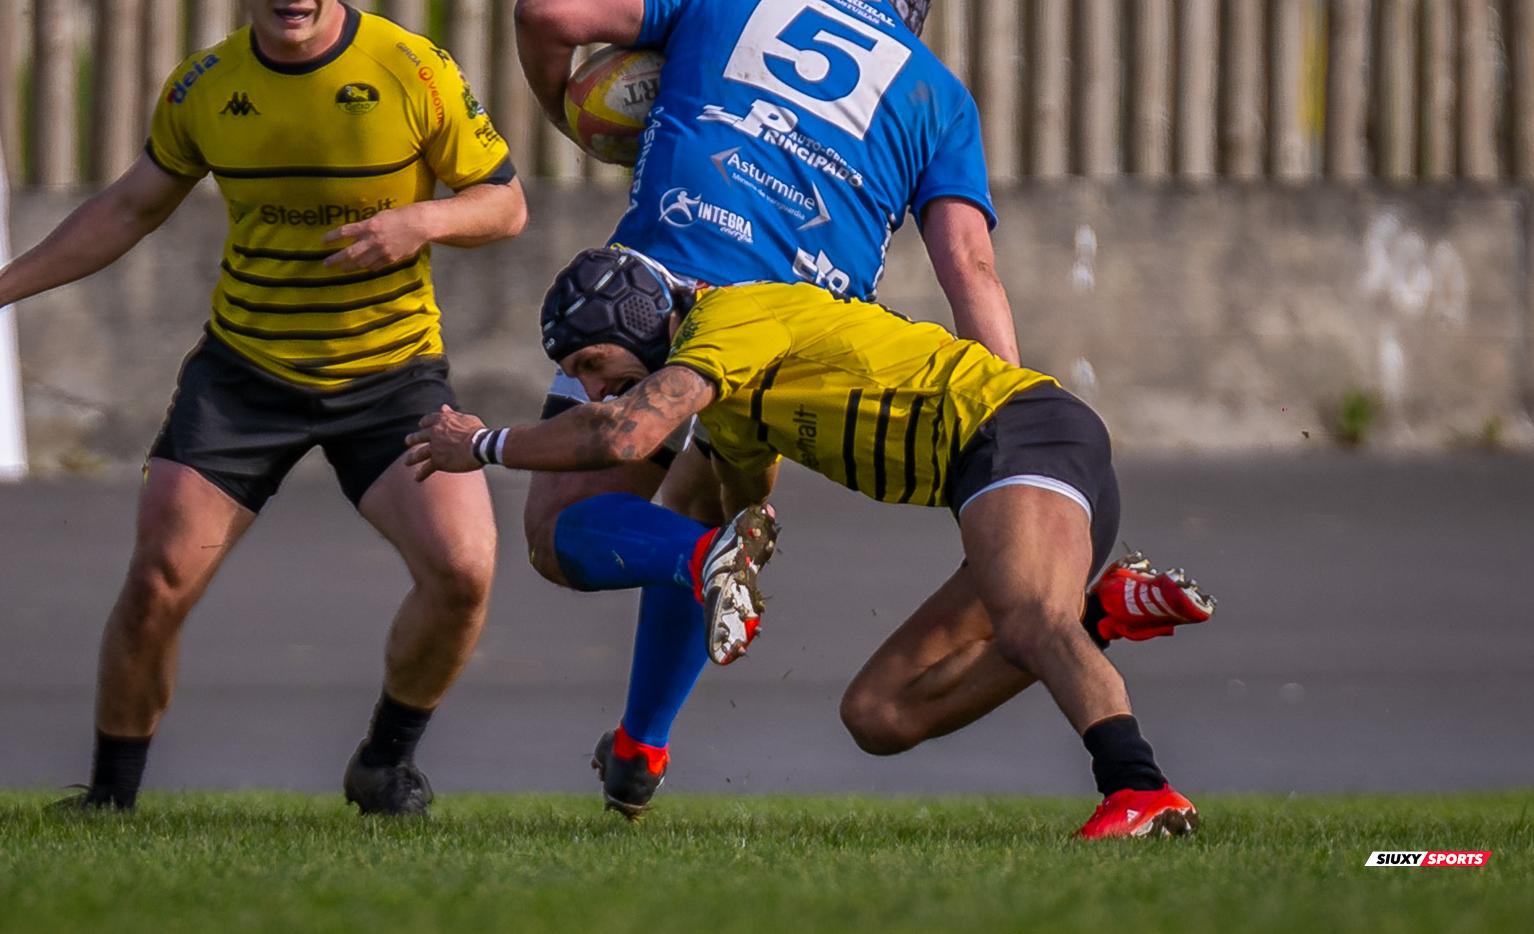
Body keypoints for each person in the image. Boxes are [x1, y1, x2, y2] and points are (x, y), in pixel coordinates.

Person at [0, 0, 526, 817]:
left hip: (391, 377)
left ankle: (384, 760)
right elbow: (128, 208)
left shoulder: (414, 70)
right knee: (158, 581)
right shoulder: (205, 86)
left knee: (465, 569)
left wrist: (423, 224)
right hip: (246, 374)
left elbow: (506, 202)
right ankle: (110, 798)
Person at [408, 249, 1216, 839]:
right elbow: (745, 510)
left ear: (643, 323)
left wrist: (485, 445)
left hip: (1016, 433)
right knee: (880, 712)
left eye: (591, 362)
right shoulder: (728, 404)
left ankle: (1140, 787)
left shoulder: (732, 319)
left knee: (1031, 616)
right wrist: (727, 572)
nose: (589, 385)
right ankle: (1102, 613)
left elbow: (629, 431)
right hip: (998, 473)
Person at [510, 0, 1024, 813]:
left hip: (654, 292)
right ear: (907, 22)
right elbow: (969, 271)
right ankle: (641, 746)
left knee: (562, 531)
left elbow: (547, 10)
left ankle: (702, 566)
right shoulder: (939, 94)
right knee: (706, 499)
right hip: (790, 341)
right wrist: (1010, 420)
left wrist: (576, 120)